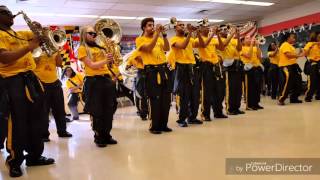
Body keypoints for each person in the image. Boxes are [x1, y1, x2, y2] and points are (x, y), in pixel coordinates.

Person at [0, 5, 54, 177]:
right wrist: (29, 47)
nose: (10, 13)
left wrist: (40, 31)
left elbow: (43, 40)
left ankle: (35, 157)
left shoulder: (20, 33)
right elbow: (5, 58)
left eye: (9, 11)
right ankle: (14, 161)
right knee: (17, 123)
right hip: (12, 81)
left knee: (37, 120)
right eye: (4, 12)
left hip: (31, 78)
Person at [78, 25, 118, 147]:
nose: (94, 35)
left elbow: (108, 64)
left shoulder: (101, 47)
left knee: (109, 109)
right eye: (90, 33)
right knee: (97, 111)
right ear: (84, 34)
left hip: (106, 79)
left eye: (95, 34)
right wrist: (105, 60)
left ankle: (107, 135)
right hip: (93, 81)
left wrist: (110, 60)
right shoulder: (82, 48)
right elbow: (91, 65)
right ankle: (99, 137)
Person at [136, 17, 172, 134]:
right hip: (151, 72)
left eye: (153, 25)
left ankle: (163, 125)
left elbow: (167, 48)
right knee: (154, 100)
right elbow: (149, 48)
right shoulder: (140, 40)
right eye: (150, 25)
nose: (152, 27)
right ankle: (154, 126)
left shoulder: (160, 38)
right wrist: (157, 33)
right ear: (144, 28)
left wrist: (165, 35)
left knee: (166, 99)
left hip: (163, 70)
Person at [169, 21, 203, 127]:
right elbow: (183, 46)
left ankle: (192, 117)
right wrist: (189, 33)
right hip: (181, 68)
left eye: (183, 25)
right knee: (184, 95)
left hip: (191, 67)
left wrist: (197, 33)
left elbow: (202, 44)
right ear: (175, 28)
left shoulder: (190, 38)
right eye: (180, 25)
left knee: (194, 95)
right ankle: (181, 119)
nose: (183, 27)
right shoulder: (174, 39)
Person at [33, 50, 72, 142]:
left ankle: (62, 131)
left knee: (59, 109)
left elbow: (59, 64)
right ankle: (44, 134)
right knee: (43, 110)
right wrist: (39, 52)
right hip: (40, 82)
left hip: (54, 82)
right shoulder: (34, 49)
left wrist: (57, 51)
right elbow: (33, 64)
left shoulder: (52, 48)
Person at [195, 25, 227, 121]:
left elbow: (221, 47)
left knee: (218, 90)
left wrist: (217, 34)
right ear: (200, 30)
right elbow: (204, 44)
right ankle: (205, 114)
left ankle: (218, 112)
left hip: (215, 66)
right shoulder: (198, 39)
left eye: (208, 27)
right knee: (207, 91)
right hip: (205, 66)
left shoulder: (213, 39)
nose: (208, 28)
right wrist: (213, 33)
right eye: (205, 27)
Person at [219, 25, 245, 115]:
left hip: (237, 65)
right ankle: (230, 109)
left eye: (226, 29)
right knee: (230, 89)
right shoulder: (220, 40)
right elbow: (223, 45)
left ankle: (236, 107)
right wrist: (232, 33)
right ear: (219, 32)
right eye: (223, 30)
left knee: (238, 89)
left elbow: (239, 48)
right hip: (228, 67)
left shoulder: (232, 40)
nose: (226, 31)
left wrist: (238, 37)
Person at [278, 33, 304, 105]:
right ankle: (281, 99)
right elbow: (288, 55)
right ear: (288, 38)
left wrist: (300, 52)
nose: (294, 39)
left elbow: (293, 56)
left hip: (293, 66)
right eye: (292, 37)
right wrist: (299, 54)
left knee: (297, 82)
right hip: (286, 66)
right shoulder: (285, 44)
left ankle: (294, 98)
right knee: (287, 83)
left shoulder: (290, 46)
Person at [240, 35, 264, 110]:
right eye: (247, 38)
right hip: (248, 69)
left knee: (257, 87)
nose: (250, 39)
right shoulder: (241, 48)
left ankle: (256, 103)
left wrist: (257, 46)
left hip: (256, 68)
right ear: (243, 41)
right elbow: (249, 55)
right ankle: (249, 105)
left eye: (250, 38)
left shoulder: (254, 47)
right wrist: (251, 45)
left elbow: (260, 58)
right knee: (250, 88)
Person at [126, 50, 149, 120]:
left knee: (142, 94)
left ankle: (143, 112)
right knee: (141, 94)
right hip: (141, 73)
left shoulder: (136, 53)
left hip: (143, 73)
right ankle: (143, 113)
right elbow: (127, 67)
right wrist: (130, 67)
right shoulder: (135, 53)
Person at [304, 32, 320, 102]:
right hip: (313, 64)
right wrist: (312, 45)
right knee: (313, 81)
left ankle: (318, 95)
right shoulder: (310, 44)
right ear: (315, 36)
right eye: (319, 36)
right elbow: (305, 54)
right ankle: (308, 96)